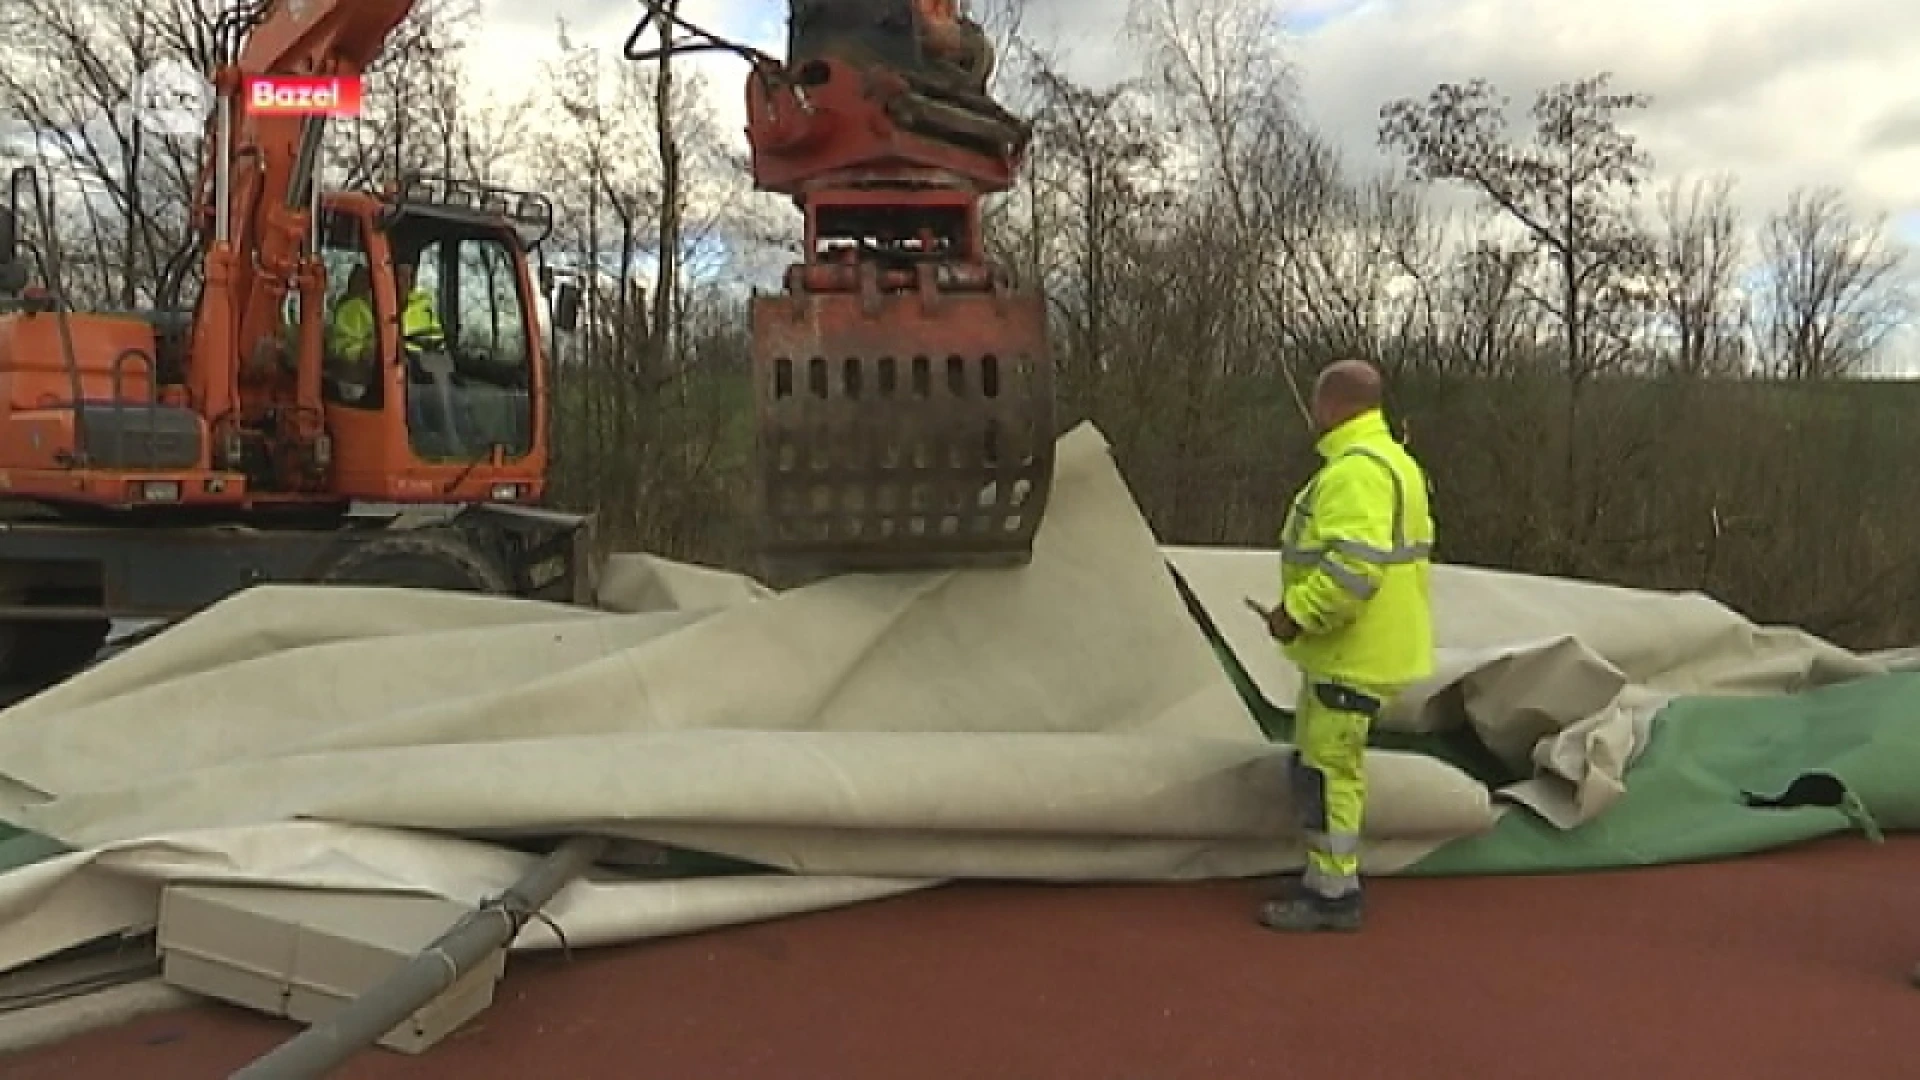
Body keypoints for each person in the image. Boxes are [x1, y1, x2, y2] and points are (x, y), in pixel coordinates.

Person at [1256, 358, 1435, 933]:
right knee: (1318, 763)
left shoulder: (1354, 473)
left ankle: (1335, 891)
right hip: (1362, 650)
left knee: (1331, 769)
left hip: (1349, 652)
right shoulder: (1393, 462)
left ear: (1333, 406)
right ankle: (1324, 874)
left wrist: (1296, 615)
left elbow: (1352, 571)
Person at [325, 264, 377, 401]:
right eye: (361, 280)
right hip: (353, 379)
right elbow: (340, 344)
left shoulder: (374, 309)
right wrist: (362, 352)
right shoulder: (352, 308)